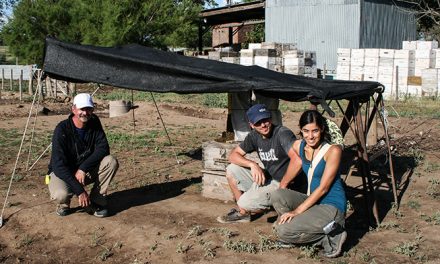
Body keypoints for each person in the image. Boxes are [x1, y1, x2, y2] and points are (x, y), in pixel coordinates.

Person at [270, 110, 347, 258]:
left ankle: (331, 235)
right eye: (306, 131)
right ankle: (298, 229)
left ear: (322, 129)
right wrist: (284, 180)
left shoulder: (333, 151)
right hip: (313, 201)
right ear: (300, 130)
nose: (310, 136)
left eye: (315, 131)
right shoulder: (300, 145)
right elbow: (292, 153)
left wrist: (296, 212)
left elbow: (324, 188)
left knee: (282, 231)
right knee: (278, 194)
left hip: (331, 206)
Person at [217, 104, 300, 223]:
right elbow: (233, 155)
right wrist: (253, 165)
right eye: (258, 122)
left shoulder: (282, 133)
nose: (263, 125)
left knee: (244, 202)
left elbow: (297, 160)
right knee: (231, 170)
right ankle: (244, 213)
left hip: (286, 183)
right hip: (269, 177)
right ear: (251, 125)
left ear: (270, 118)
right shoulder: (254, 136)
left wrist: (284, 184)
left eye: (265, 120)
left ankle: (273, 205)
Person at [48, 93, 119, 217]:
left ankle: (97, 200)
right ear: (74, 109)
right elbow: (58, 165)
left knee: (110, 161)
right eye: (82, 109)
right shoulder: (62, 129)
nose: (85, 113)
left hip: (83, 172)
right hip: (63, 173)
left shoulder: (94, 121)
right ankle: (64, 203)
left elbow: (103, 148)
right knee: (60, 195)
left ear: (92, 109)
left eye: (88, 109)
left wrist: (83, 168)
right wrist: (80, 191)